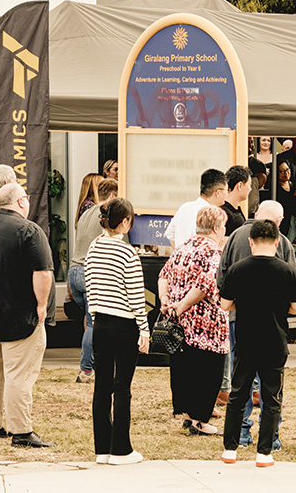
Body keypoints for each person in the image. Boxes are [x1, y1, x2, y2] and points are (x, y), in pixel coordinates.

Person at [0, 182, 55, 447]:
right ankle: (21, 431)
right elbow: (43, 272)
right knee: (19, 374)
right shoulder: (30, 230)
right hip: (21, 315)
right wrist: (42, 305)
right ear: (21, 202)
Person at [219, 219, 296, 468]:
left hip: (246, 340)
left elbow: (225, 304)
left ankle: (230, 449)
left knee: (238, 395)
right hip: (274, 342)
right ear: (277, 242)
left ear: (251, 241)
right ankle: (264, 452)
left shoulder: (238, 269)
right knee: (271, 398)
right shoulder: (287, 271)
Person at [85, 197, 150, 465]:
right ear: (124, 222)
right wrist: (144, 330)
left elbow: (90, 284)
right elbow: (136, 297)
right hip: (124, 324)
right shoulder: (127, 253)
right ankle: (121, 448)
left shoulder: (94, 247)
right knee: (122, 386)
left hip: (100, 322)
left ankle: (102, 448)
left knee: (101, 387)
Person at [159, 205, 230, 435]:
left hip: (181, 325)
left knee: (187, 370)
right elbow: (205, 285)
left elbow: (163, 276)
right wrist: (182, 305)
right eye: (224, 226)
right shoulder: (213, 252)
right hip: (207, 324)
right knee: (208, 372)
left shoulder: (182, 248)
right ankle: (200, 420)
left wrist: (165, 300)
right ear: (217, 228)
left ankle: (189, 416)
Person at [69, 178, 119, 383]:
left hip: (74, 272)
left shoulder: (86, 212)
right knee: (93, 323)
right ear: (114, 196)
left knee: (90, 321)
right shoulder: (108, 215)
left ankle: (94, 364)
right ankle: (86, 369)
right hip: (91, 271)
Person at [164, 169, 226, 248]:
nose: (227, 194)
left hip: (181, 258)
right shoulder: (210, 215)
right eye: (226, 189)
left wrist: (180, 251)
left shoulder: (185, 208)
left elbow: (170, 234)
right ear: (218, 192)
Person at [221, 165, 252, 236]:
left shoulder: (235, 210)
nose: (250, 189)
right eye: (249, 184)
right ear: (240, 185)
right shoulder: (223, 214)